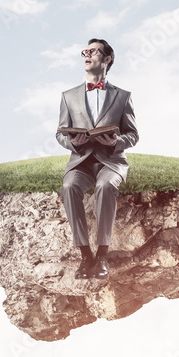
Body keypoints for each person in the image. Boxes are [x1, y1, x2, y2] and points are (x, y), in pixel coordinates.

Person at [56, 39, 139, 280]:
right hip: (80, 162)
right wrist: (73, 142)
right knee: (69, 186)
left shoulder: (123, 96)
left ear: (107, 58)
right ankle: (85, 255)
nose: (86, 54)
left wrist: (115, 142)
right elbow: (60, 133)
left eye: (93, 51)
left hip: (111, 161)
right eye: (85, 51)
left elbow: (133, 135)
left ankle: (102, 254)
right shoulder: (68, 96)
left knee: (105, 185)